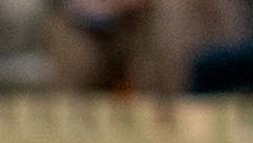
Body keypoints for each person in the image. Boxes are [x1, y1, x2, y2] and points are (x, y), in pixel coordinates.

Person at [50, 0, 246, 93]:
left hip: (192, 26)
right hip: (114, 25)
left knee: (170, 13)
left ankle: (172, 121)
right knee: (70, 27)